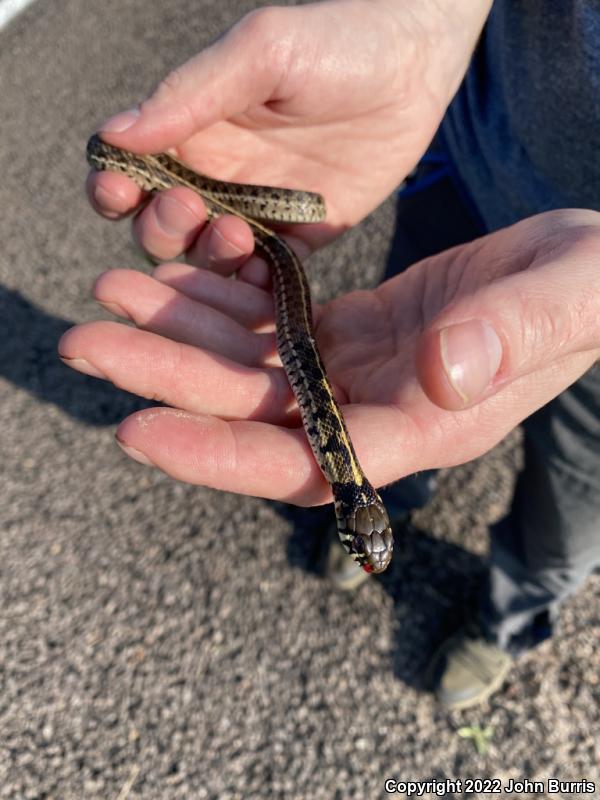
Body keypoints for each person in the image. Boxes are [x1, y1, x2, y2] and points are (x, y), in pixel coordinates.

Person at [60, 0, 600, 709]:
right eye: (361, 542)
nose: (366, 553)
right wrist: (422, 23)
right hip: (467, 163)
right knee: (406, 395)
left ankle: (508, 621)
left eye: (362, 544)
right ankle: (400, 501)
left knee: (573, 498)